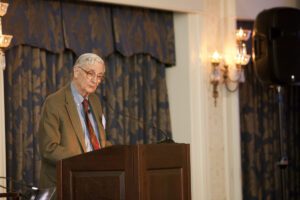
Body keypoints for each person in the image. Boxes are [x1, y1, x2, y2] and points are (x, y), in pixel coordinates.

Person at [38, 53, 109, 192]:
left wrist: (113, 152)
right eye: (91, 73)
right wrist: (86, 161)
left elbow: (97, 142)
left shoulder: (95, 101)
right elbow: (49, 148)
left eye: (100, 76)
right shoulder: (54, 102)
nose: (96, 80)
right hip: (63, 184)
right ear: (76, 72)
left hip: (94, 182)